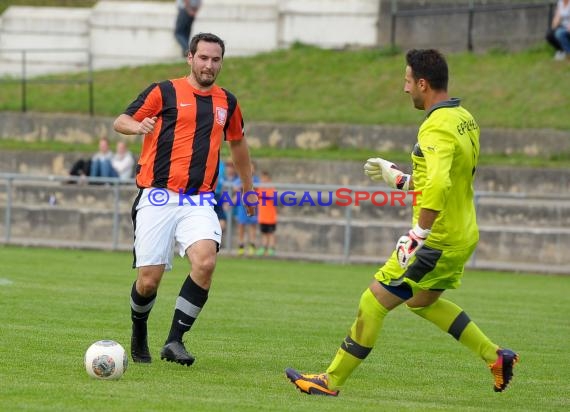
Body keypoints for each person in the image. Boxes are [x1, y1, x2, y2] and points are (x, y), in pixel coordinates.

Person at [285, 49, 519, 396]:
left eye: (407, 81)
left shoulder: (435, 126)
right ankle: (495, 356)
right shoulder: (463, 117)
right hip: (461, 232)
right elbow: (444, 176)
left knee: (372, 302)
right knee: (421, 301)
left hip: (436, 239)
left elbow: (438, 185)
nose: (405, 88)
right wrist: (398, 178)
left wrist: (417, 234)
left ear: (423, 83)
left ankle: (330, 380)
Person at [113, 32, 257, 366]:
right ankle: (139, 330)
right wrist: (138, 128)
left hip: (199, 200)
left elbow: (238, 145)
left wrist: (250, 189)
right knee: (148, 282)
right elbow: (121, 120)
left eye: (216, 59)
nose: (209, 65)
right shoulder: (164, 91)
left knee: (205, 262)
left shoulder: (228, 102)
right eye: (203, 58)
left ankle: (175, 341)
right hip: (158, 196)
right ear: (190, 58)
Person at [234, 162, 259, 256]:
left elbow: (258, 188)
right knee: (241, 225)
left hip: (253, 205)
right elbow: (235, 187)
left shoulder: (256, 180)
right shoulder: (241, 178)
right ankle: (241, 245)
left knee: (252, 224)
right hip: (242, 206)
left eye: (252, 168)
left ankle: (252, 245)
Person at [256, 171, 277, 256]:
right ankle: (264, 247)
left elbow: (272, 198)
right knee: (264, 233)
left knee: (271, 233)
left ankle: (271, 248)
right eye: (262, 178)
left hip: (271, 217)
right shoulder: (260, 188)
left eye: (265, 178)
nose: (263, 180)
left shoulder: (271, 189)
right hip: (262, 216)